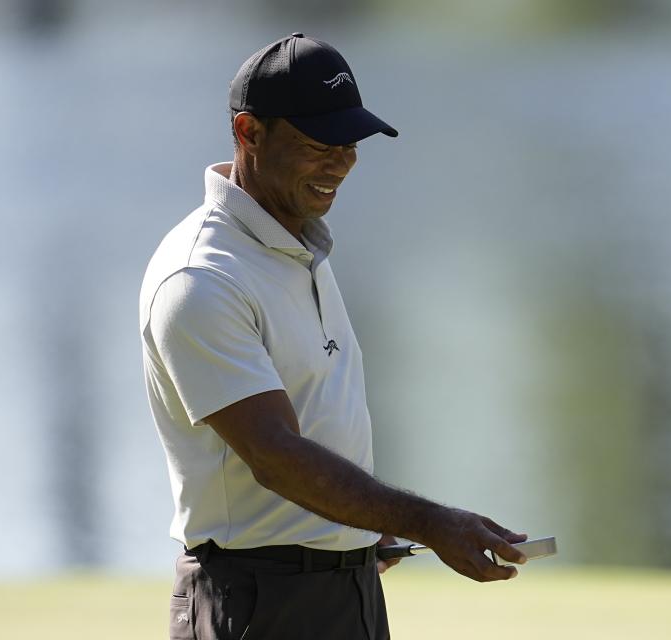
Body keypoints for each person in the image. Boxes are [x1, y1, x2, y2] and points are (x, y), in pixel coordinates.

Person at [139, 33, 527, 640]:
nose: (341, 163)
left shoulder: (298, 244)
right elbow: (275, 458)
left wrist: (358, 525)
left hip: (348, 590)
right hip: (254, 602)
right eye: (319, 144)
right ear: (249, 132)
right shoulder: (202, 277)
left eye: (349, 144)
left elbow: (317, 418)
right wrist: (431, 522)